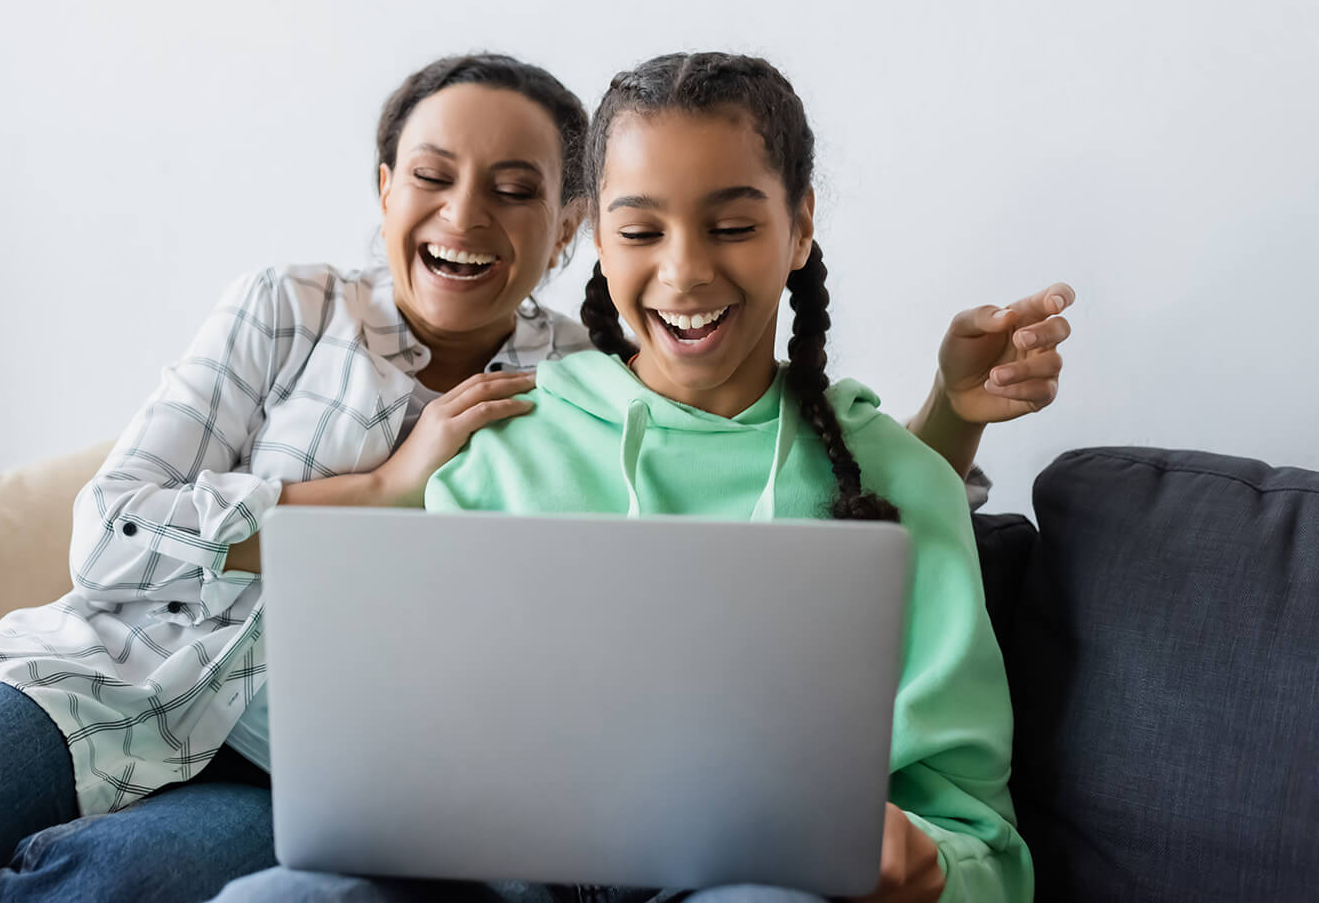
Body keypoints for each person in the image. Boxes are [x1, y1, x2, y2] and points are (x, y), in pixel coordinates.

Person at [0, 54, 1068, 903]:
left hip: (340, 776)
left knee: (98, 878)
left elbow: (845, 512)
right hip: (123, 685)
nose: (467, 217)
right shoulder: (352, 340)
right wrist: (381, 489)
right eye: (434, 176)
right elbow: (115, 532)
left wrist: (945, 418)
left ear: (555, 241)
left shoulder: (615, 395)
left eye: (515, 191)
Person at [216, 52, 1034, 903]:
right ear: (599, 242)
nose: (684, 273)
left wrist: (930, 862)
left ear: (800, 227)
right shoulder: (503, 435)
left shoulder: (901, 483)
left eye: (732, 227)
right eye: (642, 231)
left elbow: (989, 848)